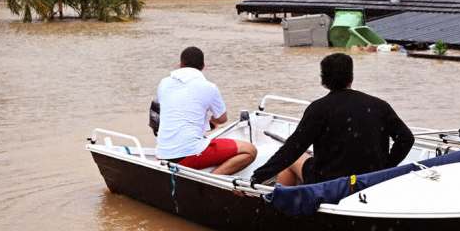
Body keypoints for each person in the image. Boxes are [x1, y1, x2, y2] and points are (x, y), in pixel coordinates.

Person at [250, 53, 414, 187]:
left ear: (323, 80)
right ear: (351, 77)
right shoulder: (379, 105)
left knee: (294, 161)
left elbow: (292, 150)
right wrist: (386, 169)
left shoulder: (318, 109)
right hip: (371, 179)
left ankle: (285, 207)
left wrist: (258, 176)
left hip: (330, 183)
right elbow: (406, 139)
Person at [155, 46, 257, 174]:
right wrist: (210, 120)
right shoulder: (209, 87)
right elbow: (222, 119)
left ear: (180, 64)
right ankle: (212, 180)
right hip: (188, 154)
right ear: (203, 66)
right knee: (249, 150)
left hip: (161, 153)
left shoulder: (163, 83)